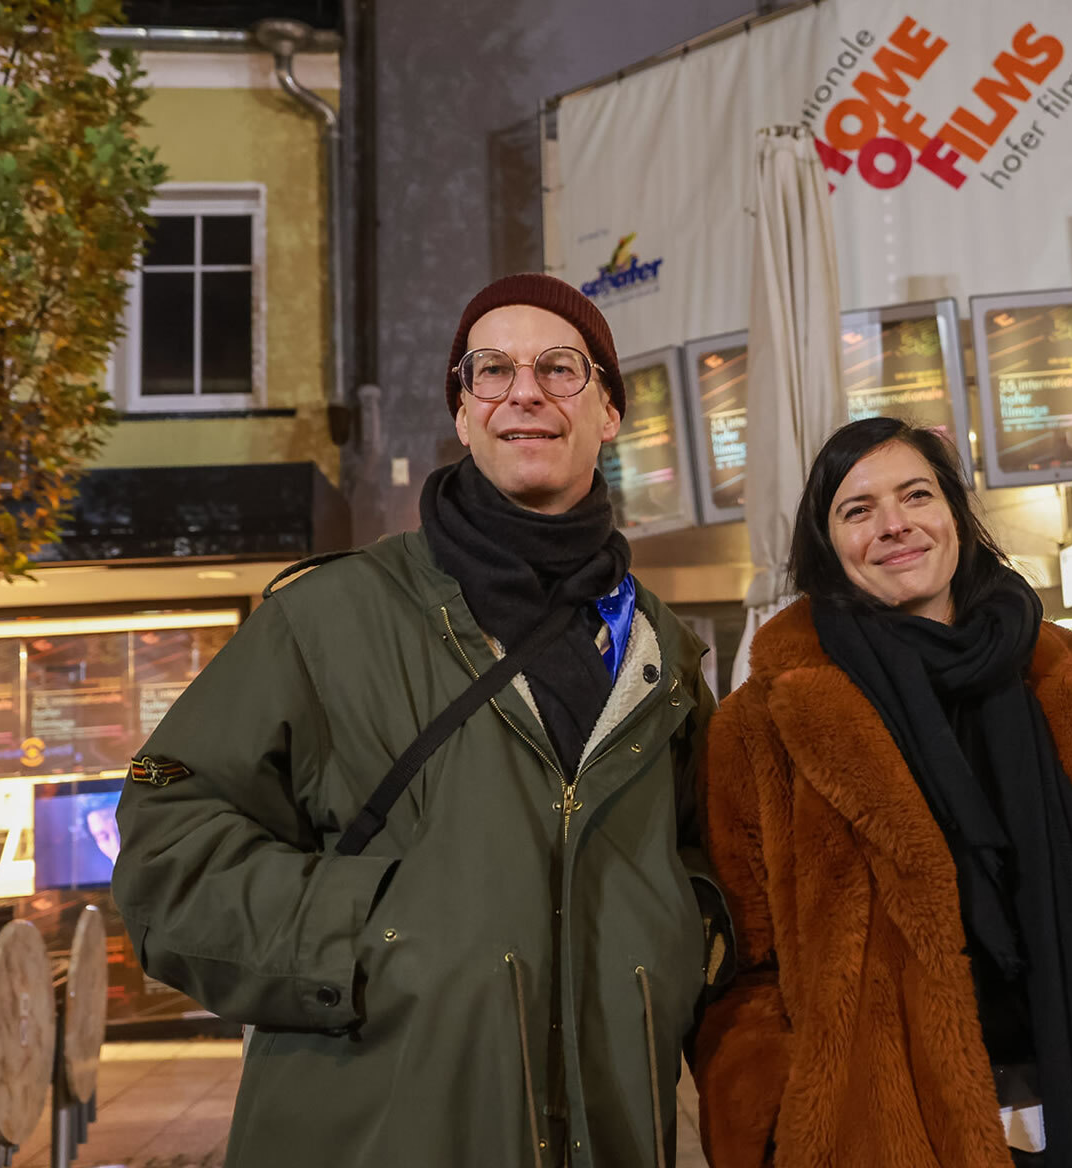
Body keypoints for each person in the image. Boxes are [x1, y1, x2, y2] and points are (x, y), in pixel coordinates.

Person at [112, 274, 721, 1168]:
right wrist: (376, 934)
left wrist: (670, 943)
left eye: (560, 368)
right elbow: (168, 845)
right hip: (378, 1134)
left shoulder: (663, 658)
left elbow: (704, 863)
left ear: (608, 413)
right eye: (490, 371)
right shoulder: (329, 617)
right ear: (464, 414)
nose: (525, 391)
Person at [693, 418, 1072, 1168]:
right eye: (858, 510)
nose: (894, 525)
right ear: (826, 545)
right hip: (886, 1132)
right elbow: (742, 970)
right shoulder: (764, 726)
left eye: (917, 495)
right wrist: (785, 1124)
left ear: (954, 513)